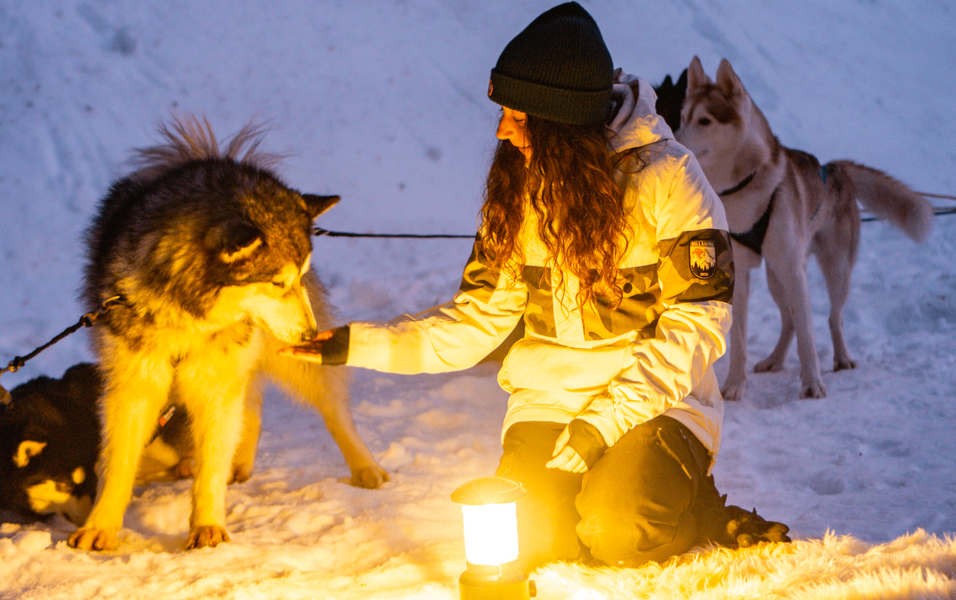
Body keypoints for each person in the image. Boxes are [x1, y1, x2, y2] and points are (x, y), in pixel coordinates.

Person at [283, 1, 789, 570]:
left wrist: (603, 425)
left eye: (518, 117)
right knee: (529, 545)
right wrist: (354, 344)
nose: (502, 129)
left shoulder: (671, 181)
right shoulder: (521, 189)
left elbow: (697, 327)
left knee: (616, 533)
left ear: (562, 126)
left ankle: (694, 508)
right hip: (548, 404)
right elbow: (476, 322)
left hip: (653, 405)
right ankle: (626, 499)